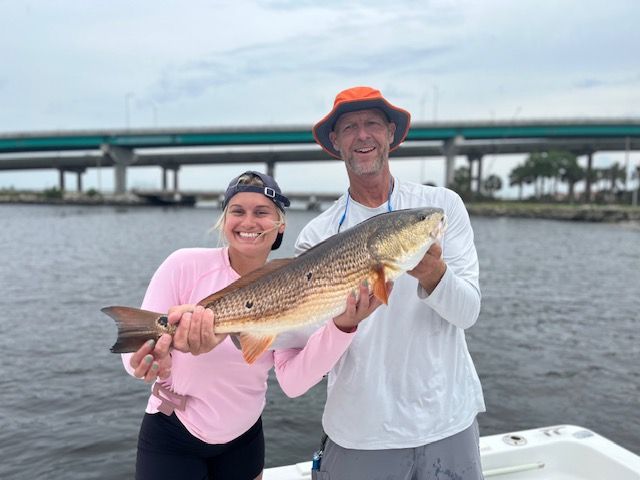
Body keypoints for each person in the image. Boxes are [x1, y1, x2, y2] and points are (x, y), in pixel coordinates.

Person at [121, 170, 382, 480]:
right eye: (237, 211)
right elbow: (134, 352)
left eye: (261, 212)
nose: (248, 222)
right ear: (223, 219)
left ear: (281, 223)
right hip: (173, 433)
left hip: (244, 438)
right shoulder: (183, 265)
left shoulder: (301, 285)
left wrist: (343, 327)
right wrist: (153, 360)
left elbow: (293, 383)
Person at [295, 86, 485, 480]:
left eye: (372, 124)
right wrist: (342, 323)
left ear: (390, 134)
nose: (362, 135)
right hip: (361, 431)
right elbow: (304, 348)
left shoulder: (440, 209)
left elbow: (468, 313)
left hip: (447, 419)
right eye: (349, 127)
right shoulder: (317, 235)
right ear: (335, 141)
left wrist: (434, 275)